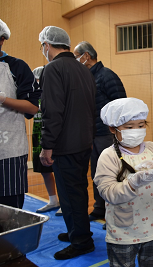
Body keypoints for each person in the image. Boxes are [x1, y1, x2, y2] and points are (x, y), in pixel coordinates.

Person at [94, 97, 153, 267]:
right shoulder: (108, 156)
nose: (137, 130)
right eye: (129, 127)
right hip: (124, 232)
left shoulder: (152, 148)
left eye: (141, 125)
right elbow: (108, 192)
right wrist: (134, 182)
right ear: (113, 128)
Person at [38, 26, 96, 260]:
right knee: (78, 191)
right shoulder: (84, 70)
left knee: (70, 194)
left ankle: (81, 242)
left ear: (47, 45)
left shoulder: (52, 69)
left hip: (65, 144)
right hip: (83, 143)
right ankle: (78, 231)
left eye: (42, 45)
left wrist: (47, 145)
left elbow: (52, 111)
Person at [73, 41, 127, 222]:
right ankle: (100, 207)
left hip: (107, 133)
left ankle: (116, 213)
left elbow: (121, 104)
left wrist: (117, 132)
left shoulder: (106, 75)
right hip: (93, 134)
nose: (75, 60)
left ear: (86, 56)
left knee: (113, 174)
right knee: (98, 173)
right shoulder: (87, 77)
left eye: (76, 56)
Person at [0, 19, 41, 209]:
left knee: (10, 210)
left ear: (1, 40)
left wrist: (3, 100)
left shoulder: (16, 67)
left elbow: (33, 107)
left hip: (10, 151)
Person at [31, 66, 62, 216]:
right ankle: (53, 199)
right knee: (44, 170)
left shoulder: (52, 92)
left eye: (38, 81)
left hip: (53, 136)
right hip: (38, 135)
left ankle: (65, 200)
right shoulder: (33, 94)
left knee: (59, 170)